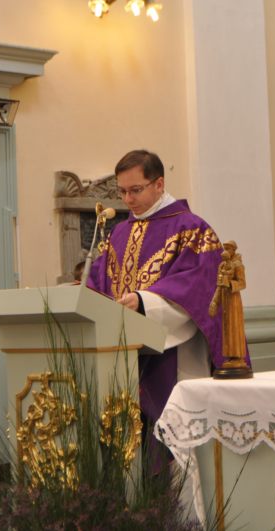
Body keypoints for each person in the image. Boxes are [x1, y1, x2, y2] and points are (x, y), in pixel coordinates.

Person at [87, 149, 226, 426]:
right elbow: (99, 281)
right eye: (122, 191)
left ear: (159, 184)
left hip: (174, 355)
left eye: (135, 190)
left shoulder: (192, 229)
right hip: (121, 358)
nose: (128, 199)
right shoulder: (119, 233)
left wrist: (144, 302)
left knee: (171, 436)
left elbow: (199, 287)